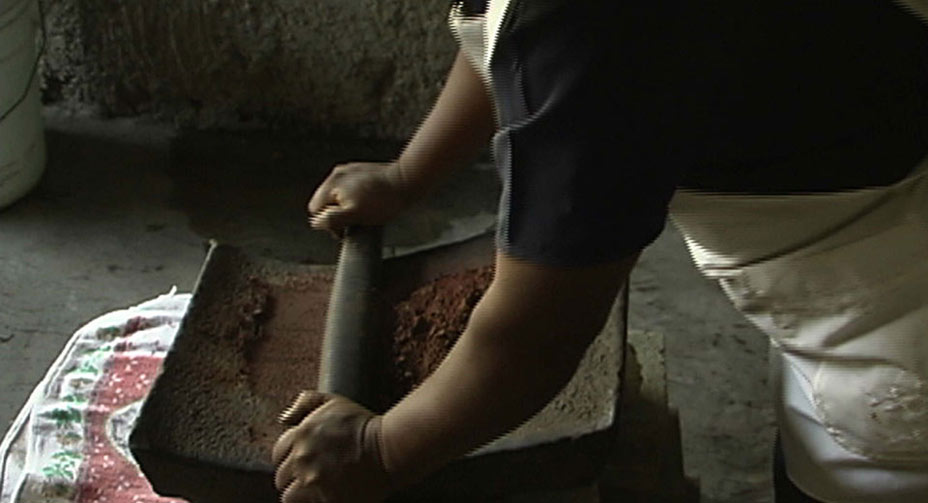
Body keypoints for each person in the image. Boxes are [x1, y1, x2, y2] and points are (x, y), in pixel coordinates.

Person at [270, 1, 928, 501]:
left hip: (896, 317)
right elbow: (500, 32)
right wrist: (408, 174)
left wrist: (379, 448)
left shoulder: (595, 27)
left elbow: (538, 333)